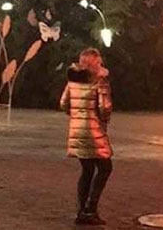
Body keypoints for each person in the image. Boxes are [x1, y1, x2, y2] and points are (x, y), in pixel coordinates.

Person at [60, 47, 113, 226]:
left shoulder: (72, 81)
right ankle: (90, 210)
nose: (101, 64)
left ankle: (81, 211)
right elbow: (105, 107)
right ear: (93, 64)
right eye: (98, 62)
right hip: (94, 130)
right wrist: (103, 121)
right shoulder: (99, 81)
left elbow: (63, 103)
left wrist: (76, 116)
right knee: (105, 168)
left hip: (77, 132)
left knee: (87, 170)